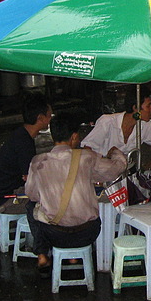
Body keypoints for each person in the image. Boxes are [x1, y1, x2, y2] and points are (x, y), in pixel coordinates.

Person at [25, 112, 127, 276]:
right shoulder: (86, 157)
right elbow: (115, 170)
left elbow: (32, 195)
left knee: (31, 206)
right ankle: (74, 258)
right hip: (87, 233)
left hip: (54, 235)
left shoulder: (37, 162)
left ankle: (42, 255)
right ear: (73, 137)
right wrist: (116, 153)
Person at [0, 91, 52, 213]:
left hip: (6, 193)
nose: (51, 119)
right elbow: (29, 179)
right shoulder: (23, 143)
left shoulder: (21, 134)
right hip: (9, 199)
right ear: (40, 118)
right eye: (49, 116)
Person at [81, 85, 151, 157]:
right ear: (135, 108)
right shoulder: (107, 122)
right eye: (148, 106)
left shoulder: (145, 125)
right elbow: (87, 148)